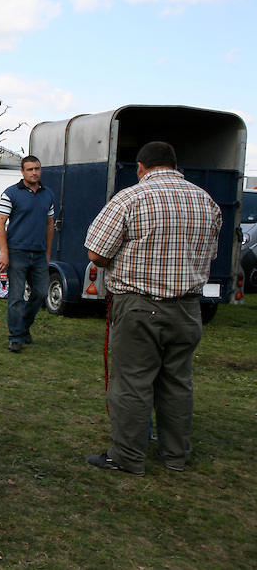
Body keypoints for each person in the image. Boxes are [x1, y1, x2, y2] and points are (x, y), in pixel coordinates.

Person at [84, 141, 221, 476]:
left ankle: (128, 457)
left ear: (141, 167)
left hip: (140, 306)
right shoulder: (206, 201)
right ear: (176, 165)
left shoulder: (131, 198)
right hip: (188, 308)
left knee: (132, 382)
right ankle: (175, 455)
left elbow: (97, 254)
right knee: (177, 382)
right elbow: (211, 254)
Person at [0, 156, 55, 353]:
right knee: (16, 297)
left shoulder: (48, 194)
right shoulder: (11, 193)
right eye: (29, 169)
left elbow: (49, 224)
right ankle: (16, 337)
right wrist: (4, 252)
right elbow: (0, 223)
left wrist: (47, 253)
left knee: (41, 293)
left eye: (37, 168)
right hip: (17, 252)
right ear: (22, 172)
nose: (34, 172)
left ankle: (24, 327)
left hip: (38, 254)